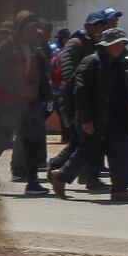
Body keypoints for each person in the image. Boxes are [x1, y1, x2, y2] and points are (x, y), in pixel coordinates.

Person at [49, 29, 128, 202]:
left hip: (116, 119)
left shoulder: (119, 63)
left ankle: (120, 190)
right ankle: (60, 177)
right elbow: (80, 93)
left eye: (123, 44)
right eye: (118, 44)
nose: (121, 47)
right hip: (96, 118)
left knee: (119, 153)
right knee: (87, 152)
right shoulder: (91, 63)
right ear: (108, 45)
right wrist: (85, 120)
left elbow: (125, 91)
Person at [0, 15, 50, 195]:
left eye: (35, 27)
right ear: (20, 28)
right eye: (30, 27)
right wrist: (15, 87)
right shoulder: (6, 47)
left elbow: (37, 74)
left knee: (31, 141)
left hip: (27, 103)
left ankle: (33, 183)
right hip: (7, 103)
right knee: (1, 142)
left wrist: (38, 91)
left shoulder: (34, 49)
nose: (34, 31)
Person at [47, 12, 108, 190]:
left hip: (91, 100)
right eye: (95, 25)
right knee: (85, 140)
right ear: (86, 26)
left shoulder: (99, 45)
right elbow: (68, 73)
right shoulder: (76, 43)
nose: (99, 29)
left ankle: (78, 173)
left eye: (101, 26)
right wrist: (79, 100)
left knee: (83, 141)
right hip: (76, 100)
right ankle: (80, 174)